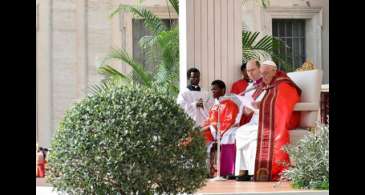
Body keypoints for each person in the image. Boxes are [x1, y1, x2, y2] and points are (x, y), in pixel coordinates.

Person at [234, 60, 301, 181]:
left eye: (266, 73)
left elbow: (283, 105)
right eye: (262, 73)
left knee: (255, 134)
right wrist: (250, 108)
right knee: (241, 131)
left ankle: (258, 170)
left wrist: (262, 105)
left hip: (276, 122)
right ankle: (245, 170)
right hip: (261, 120)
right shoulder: (264, 85)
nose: (263, 76)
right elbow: (253, 105)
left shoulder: (284, 85)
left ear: (274, 72)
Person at [201, 80, 242, 178]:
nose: (213, 91)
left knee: (228, 137)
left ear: (223, 90)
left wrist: (211, 127)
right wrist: (203, 128)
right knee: (193, 136)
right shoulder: (215, 105)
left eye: (215, 89)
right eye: (212, 89)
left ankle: (227, 170)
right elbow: (209, 120)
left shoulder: (229, 104)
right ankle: (199, 169)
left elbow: (229, 121)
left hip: (221, 132)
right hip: (212, 131)